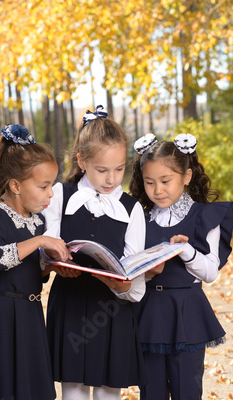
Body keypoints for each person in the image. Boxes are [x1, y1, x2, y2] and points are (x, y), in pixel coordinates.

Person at [0, 124, 71, 400]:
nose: (51, 194)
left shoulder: (38, 222)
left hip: (30, 316)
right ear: (16, 186)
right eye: (44, 187)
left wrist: (50, 266)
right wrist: (42, 242)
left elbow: (34, 272)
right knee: (2, 389)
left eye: (52, 186)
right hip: (2, 317)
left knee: (29, 390)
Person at [43, 105, 146, 400]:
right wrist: (53, 263)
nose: (111, 179)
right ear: (82, 160)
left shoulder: (132, 209)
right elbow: (45, 248)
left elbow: (133, 270)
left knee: (107, 394)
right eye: (102, 170)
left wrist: (123, 284)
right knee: (72, 391)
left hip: (111, 312)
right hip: (70, 305)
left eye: (119, 169)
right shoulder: (61, 195)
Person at [129, 132, 233, 400]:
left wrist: (185, 250)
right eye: (150, 182)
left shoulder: (204, 215)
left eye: (166, 181)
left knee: (186, 388)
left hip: (187, 313)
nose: (158, 190)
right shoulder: (140, 218)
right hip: (149, 313)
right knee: (150, 390)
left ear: (186, 177)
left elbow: (210, 272)